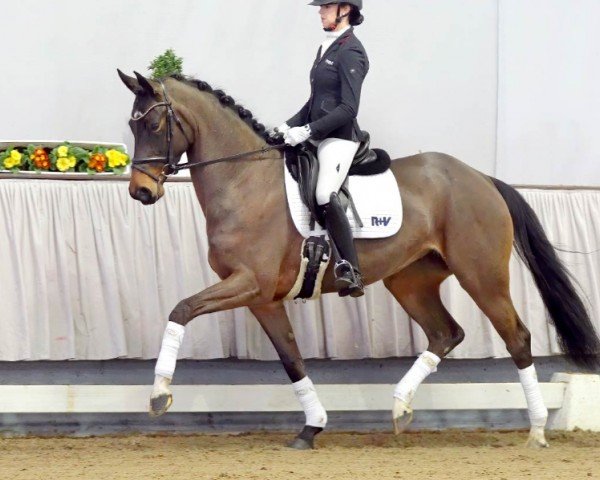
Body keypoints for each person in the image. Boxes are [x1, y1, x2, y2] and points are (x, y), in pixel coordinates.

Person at [278, 0, 368, 298]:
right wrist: (287, 125)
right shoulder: (326, 48)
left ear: (345, 10)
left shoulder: (351, 51)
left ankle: (349, 268)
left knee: (323, 193)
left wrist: (309, 130)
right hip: (317, 134)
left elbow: (348, 108)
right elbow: (314, 101)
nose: (320, 11)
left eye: (326, 7)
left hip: (339, 138)